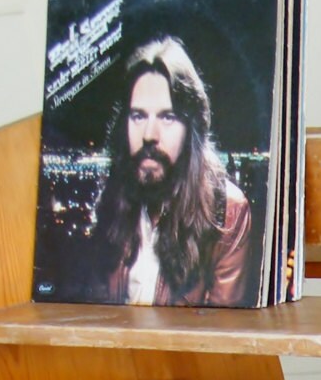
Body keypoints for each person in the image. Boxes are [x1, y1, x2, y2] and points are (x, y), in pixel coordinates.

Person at [84, 37, 255, 306]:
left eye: (167, 117)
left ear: (191, 128)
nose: (149, 135)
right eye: (138, 116)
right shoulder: (112, 199)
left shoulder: (229, 214)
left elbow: (218, 338)